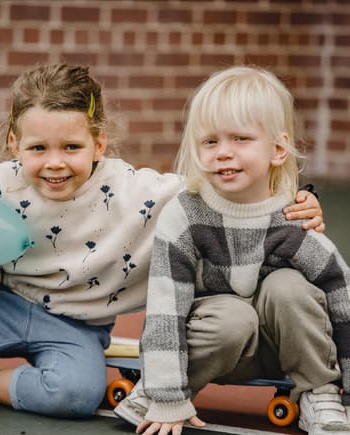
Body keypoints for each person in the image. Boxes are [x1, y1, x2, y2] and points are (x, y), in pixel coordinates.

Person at [0, 64, 324, 419]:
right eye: (38, 148)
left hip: (76, 326)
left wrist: (298, 201)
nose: (55, 161)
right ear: (13, 145)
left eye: (72, 147)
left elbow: (216, 194)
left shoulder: (138, 193)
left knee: (75, 395)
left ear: (99, 142)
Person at [114, 65, 350, 435]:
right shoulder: (186, 214)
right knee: (233, 316)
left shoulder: (293, 214)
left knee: (288, 288)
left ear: (276, 149)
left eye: (240, 139)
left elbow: (341, 295)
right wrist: (166, 392)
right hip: (220, 346)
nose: (223, 153)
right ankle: (157, 393)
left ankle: (318, 393)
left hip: (284, 350)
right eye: (210, 142)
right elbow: (165, 307)